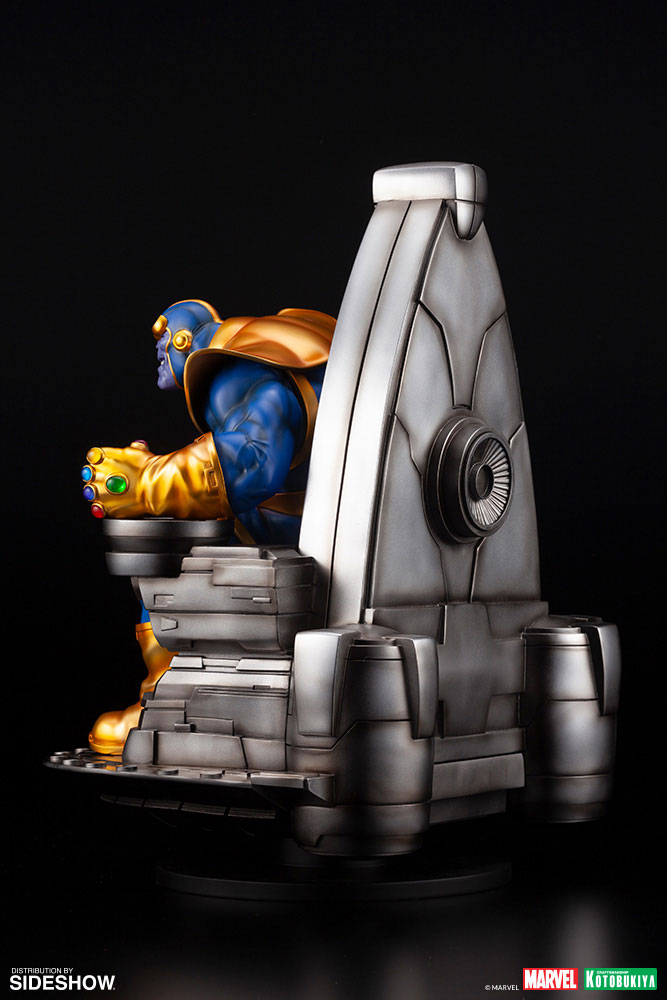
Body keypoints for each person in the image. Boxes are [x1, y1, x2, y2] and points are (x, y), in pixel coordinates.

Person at [80, 299, 335, 753]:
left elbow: (255, 460)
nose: (158, 348)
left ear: (183, 340)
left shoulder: (233, 371)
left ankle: (161, 701)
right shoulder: (251, 364)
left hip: (312, 535)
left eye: (163, 337)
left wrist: (149, 481)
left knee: (169, 567)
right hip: (306, 526)